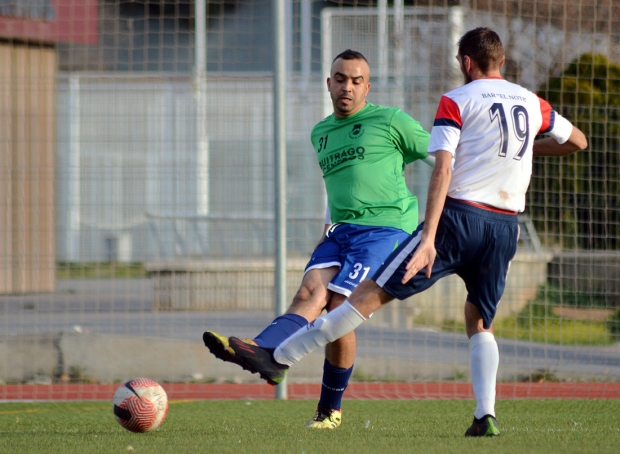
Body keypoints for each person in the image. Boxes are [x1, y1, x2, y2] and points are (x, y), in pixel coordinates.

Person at [226, 28, 588, 437]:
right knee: (479, 320)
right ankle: (485, 414)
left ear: (465, 62)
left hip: (457, 219)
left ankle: (284, 356)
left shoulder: (457, 99)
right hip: (505, 227)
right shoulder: (532, 101)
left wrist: (429, 237)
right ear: (501, 61)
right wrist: (525, 150)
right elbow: (578, 141)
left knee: (359, 300)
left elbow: (443, 167)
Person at [203, 49, 433, 429]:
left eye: (357, 81)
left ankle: (326, 407)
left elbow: (443, 158)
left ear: (367, 86)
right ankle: (265, 354)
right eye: (341, 78)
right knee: (309, 294)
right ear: (329, 84)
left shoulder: (391, 120)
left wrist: (457, 212)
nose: (348, 87)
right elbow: (338, 188)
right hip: (339, 231)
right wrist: (324, 230)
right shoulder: (320, 133)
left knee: (342, 307)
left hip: (385, 230)